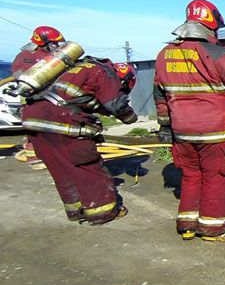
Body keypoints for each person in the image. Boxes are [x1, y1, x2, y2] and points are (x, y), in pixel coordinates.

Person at [154, 0, 225, 242]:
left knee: (192, 176)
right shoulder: (215, 53)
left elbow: (159, 93)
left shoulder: (164, 54)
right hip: (215, 133)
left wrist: (164, 126)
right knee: (218, 178)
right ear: (211, 25)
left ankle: (187, 225)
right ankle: (215, 230)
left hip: (182, 133)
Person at [22, 58, 138, 224]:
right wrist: (130, 117)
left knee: (61, 167)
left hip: (33, 117)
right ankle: (102, 212)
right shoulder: (105, 73)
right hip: (60, 118)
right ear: (124, 79)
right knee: (87, 166)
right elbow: (116, 105)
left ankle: (75, 210)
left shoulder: (76, 68)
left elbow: (86, 101)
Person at [12, 26, 67, 168]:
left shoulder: (55, 55)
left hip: (52, 95)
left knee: (55, 125)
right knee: (35, 127)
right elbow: (20, 74)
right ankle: (34, 155)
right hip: (32, 97)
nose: (56, 46)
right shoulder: (27, 56)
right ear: (42, 41)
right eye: (54, 43)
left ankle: (56, 154)